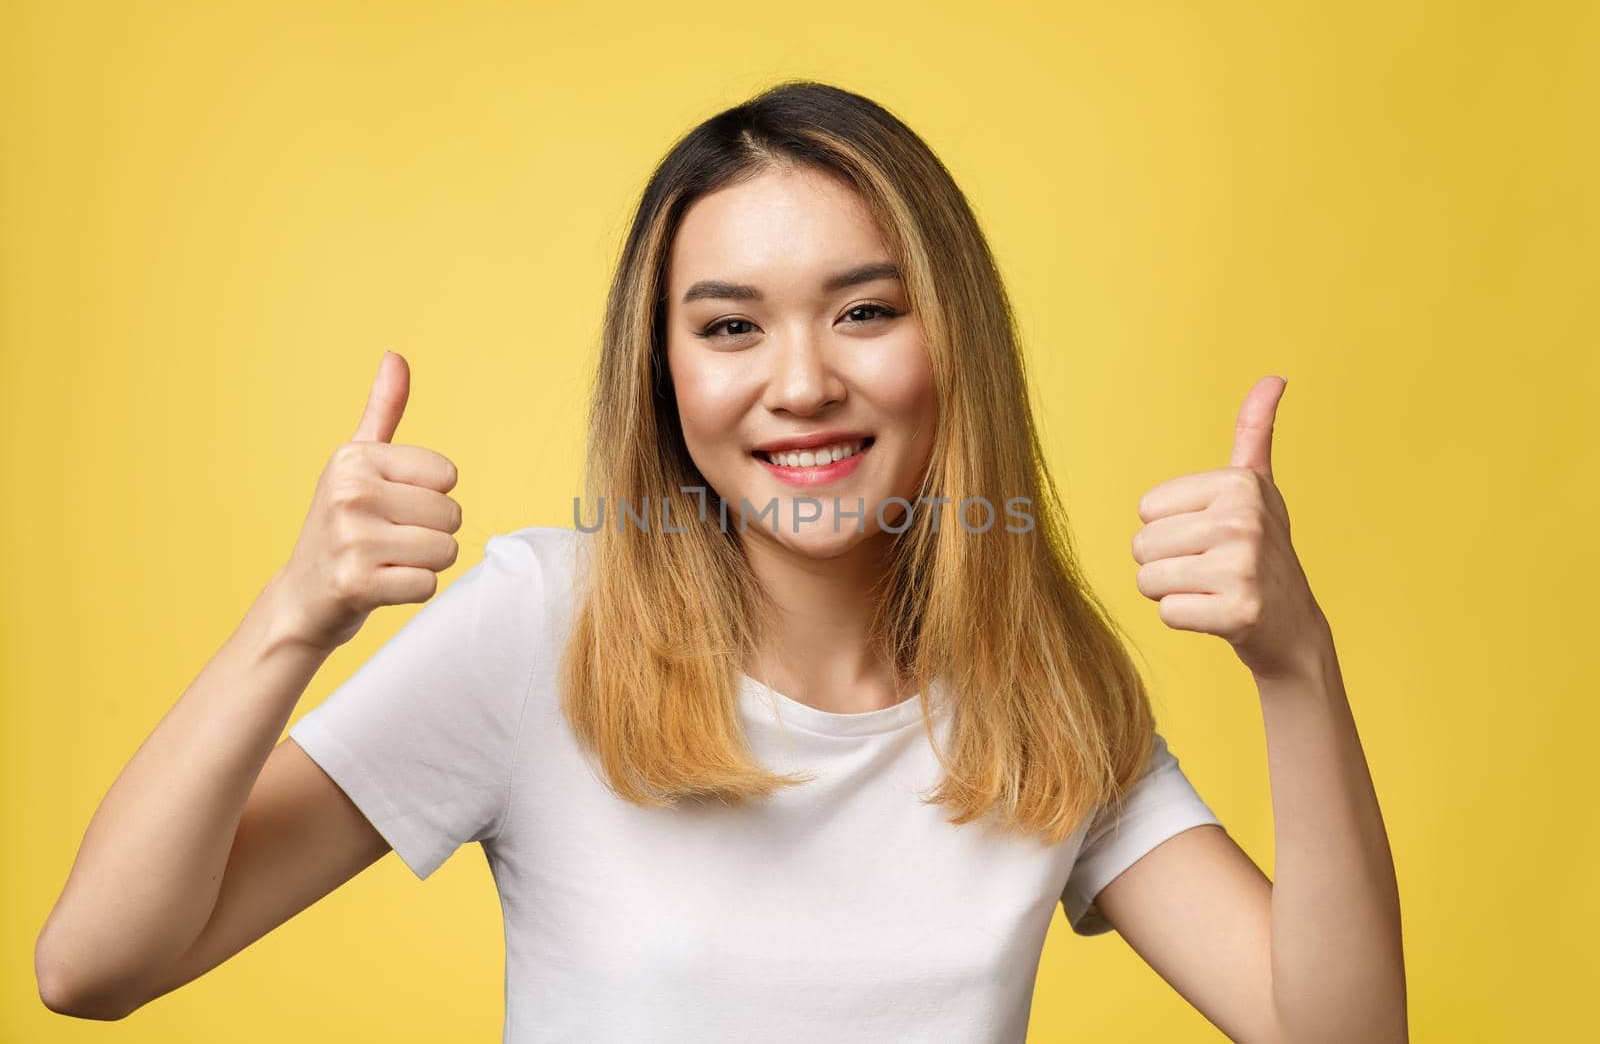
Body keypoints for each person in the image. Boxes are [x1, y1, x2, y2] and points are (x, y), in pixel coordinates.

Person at [33, 81, 1407, 1041]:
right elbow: (93, 967)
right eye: (731, 327)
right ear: (666, 378)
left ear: (955, 350)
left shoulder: (1040, 692)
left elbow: (1337, 1033)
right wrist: (294, 619)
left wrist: (1294, 661)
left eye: (865, 310)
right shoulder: (542, 630)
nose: (800, 383)